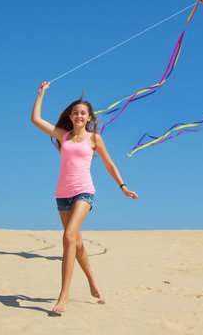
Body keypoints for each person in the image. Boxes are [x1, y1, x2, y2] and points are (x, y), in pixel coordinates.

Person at [31, 81, 138, 313]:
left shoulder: (94, 139)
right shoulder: (64, 136)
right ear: (70, 116)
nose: (79, 115)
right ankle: (92, 280)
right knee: (76, 242)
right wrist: (41, 94)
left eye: (83, 113)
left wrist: (122, 185)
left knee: (68, 236)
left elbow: (109, 164)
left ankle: (64, 295)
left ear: (89, 117)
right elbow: (36, 120)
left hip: (84, 192)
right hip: (62, 194)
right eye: (76, 112)